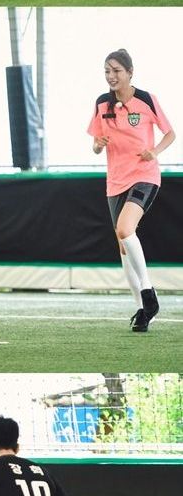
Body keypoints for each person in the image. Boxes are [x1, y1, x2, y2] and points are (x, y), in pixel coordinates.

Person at [87, 49, 175, 333]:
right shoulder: (102, 103)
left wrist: (155, 151)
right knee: (123, 245)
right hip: (115, 180)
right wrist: (98, 144)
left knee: (125, 229)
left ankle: (148, 292)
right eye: (107, 71)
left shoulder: (146, 100)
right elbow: (96, 144)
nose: (111, 76)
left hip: (144, 176)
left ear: (130, 72)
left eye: (116, 71)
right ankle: (143, 309)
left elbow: (170, 133)